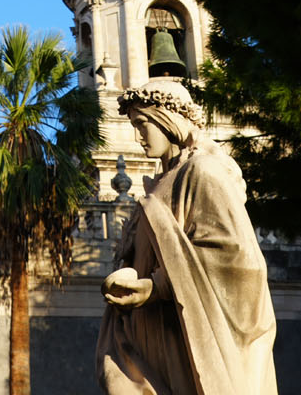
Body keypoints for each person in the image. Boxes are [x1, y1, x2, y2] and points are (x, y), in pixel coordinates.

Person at [97, 78, 276, 395]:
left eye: (142, 124)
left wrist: (157, 286)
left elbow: (240, 262)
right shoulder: (159, 184)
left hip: (186, 337)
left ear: (166, 119)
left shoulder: (202, 171)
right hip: (152, 338)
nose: (138, 136)